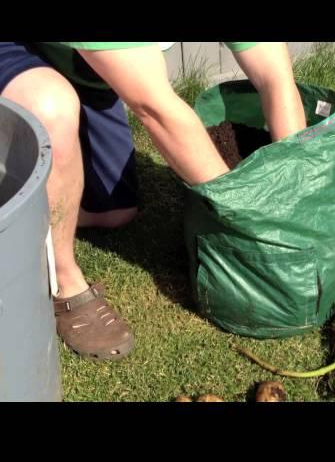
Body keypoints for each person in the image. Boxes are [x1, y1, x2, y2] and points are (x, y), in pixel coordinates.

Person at [0, 42, 307, 360]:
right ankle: (64, 281)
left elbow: (274, 75)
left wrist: (294, 188)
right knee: (51, 106)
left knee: (114, 213)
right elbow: (157, 110)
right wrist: (250, 221)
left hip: (81, 63)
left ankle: (47, 192)